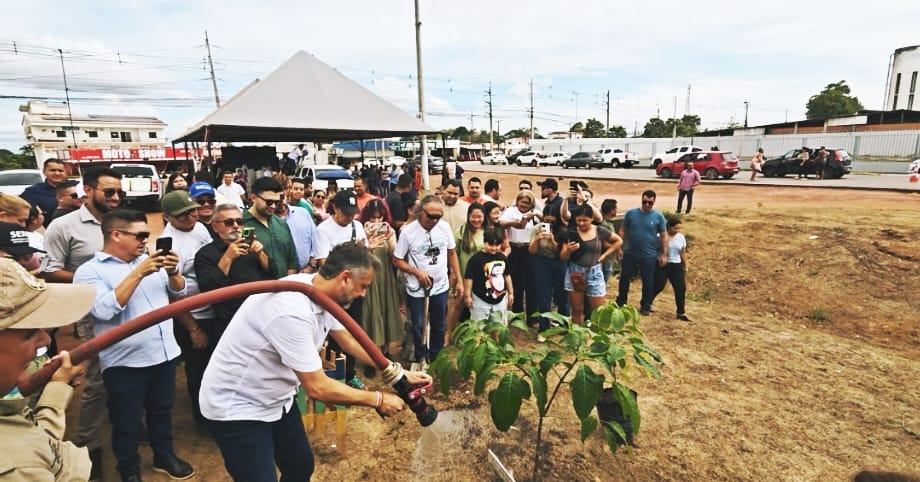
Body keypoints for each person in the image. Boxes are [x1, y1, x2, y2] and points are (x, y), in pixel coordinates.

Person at [200, 243, 431, 481]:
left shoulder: (319, 291)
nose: (363, 294)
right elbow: (318, 387)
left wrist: (398, 373)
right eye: (363, 287)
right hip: (238, 408)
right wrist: (378, 399)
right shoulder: (291, 311)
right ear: (345, 278)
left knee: (300, 467)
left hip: (276, 400)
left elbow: (350, 341)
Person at [74, 209, 195, 481]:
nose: (145, 242)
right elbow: (103, 310)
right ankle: (128, 470)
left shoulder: (149, 262)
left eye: (146, 236)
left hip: (164, 354)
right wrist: (138, 273)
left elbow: (178, 292)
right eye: (139, 236)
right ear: (116, 235)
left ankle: (164, 455)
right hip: (125, 362)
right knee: (126, 422)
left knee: (162, 412)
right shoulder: (89, 271)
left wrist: (173, 271)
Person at [41, 167, 123, 480]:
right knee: (99, 379)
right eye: (108, 192)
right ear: (87, 191)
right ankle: (89, 444)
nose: (115, 198)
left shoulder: (125, 220)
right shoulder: (64, 226)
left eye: (119, 192)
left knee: (130, 370)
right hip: (91, 315)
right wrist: (95, 278)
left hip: (129, 309)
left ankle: (128, 423)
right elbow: (49, 271)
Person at [0, 256, 95, 481]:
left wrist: (57, 388)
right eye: (29, 333)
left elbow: (34, 440)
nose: (45, 339)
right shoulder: (15, 466)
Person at [159, 191, 216, 428]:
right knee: (198, 371)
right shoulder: (169, 245)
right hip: (193, 316)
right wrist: (193, 328)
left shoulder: (200, 228)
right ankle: (203, 421)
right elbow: (171, 296)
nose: (191, 217)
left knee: (214, 367)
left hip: (213, 309)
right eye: (182, 215)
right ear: (167, 217)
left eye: (192, 210)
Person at [394, 195, 464, 364]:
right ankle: (420, 356)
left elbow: (452, 253)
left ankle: (436, 357)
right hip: (417, 289)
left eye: (438, 217)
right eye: (430, 216)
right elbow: (397, 260)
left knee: (439, 324)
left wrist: (459, 280)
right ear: (420, 212)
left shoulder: (444, 228)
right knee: (418, 325)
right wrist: (416, 272)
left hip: (440, 286)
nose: (434, 220)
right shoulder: (408, 232)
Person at [315, 190, 369, 388]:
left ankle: (350, 372)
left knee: (354, 329)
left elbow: (365, 254)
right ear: (335, 208)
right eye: (345, 213)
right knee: (335, 334)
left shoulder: (358, 226)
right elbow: (323, 262)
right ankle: (333, 372)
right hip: (337, 291)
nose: (349, 217)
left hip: (355, 290)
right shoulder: (324, 230)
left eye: (352, 213)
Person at [194, 204, 274, 335]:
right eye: (229, 222)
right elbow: (207, 287)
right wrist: (228, 257)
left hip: (260, 316)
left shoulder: (251, 245)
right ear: (215, 226)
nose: (236, 226)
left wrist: (261, 254)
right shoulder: (205, 254)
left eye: (240, 222)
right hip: (230, 322)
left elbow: (272, 273)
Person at [560, 204, 621, 324]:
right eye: (578, 220)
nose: (581, 223)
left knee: (597, 312)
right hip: (576, 272)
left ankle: (596, 338)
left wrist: (604, 255)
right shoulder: (571, 233)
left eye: (585, 220)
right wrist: (568, 250)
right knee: (577, 310)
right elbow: (563, 257)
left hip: (594, 272)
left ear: (592, 218)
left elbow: (618, 240)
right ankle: (577, 337)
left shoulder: (600, 231)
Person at [359, 199, 403, 359]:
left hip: (385, 276)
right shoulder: (360, 230)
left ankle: (385, 351)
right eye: (373, 218)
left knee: (386, 310)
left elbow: (395, 253)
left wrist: (391, 238)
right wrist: (368, 244)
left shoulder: (389, 230)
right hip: (368, 277)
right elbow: (358, 255)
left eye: (379, 218)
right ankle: (371, 354)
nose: (376, 222)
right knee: (370, 312)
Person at [616, 190, 669, 316]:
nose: (647, 205)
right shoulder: (631, 213)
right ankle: (621, 301)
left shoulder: (658, 216)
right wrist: (618, 248)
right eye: (644, 201)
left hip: (649, 255)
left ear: (654, 202)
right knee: (624, 278)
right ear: (641, 200)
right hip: (630, 253)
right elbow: (622, 231)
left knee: (648, 281)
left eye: (650, 202)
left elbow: (664, 235)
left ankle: (645, 305)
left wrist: (663, 254)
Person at [244, 177, 299, 279]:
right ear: (253, 197)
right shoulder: (242, 224)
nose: (273, 206)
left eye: (277, 202)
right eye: (269, 202)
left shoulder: (281, 224)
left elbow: (292, 260)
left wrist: (288, 285)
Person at [499, 191, 540, 323]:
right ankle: (517, 316)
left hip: (529, 250)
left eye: (527, 202)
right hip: (514, 249)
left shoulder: (535, 214)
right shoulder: (511, 211)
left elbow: (545, 222)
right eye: (521, 201)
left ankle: (532, 318)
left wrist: (536, 214)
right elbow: (501, 222)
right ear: (517, 201)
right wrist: (515, 222)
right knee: (516, 283)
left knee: (531, 284)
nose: (523, 205)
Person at [529, 203, 569, 331]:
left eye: (553, 218)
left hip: (559, 263)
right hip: (542, 263)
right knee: (543, 295)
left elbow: (560, 254)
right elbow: (532, 251)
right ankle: (544, 327)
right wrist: (537, 239)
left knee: (562, 294)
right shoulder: (536, 229)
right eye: (547, 217)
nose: (549, 220)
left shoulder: (563, 230)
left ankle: (565, 325)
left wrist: (552, 241)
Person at [463, 226, 513, 324]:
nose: (494, 248)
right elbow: (469, 278)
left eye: (497, 244)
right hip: (480, 299)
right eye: (490, 244)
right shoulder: (475, 259)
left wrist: (511, 293)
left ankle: (496, 340)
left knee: (498, 325)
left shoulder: (502, 257)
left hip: (500, 299)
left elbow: (507, 276)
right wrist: (467, 295)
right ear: (484, 241)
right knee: (479, 326)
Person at [652, 217, 691, 322]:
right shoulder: (660, 236)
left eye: (679, 229)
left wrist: (685, 265)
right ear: (668, 226)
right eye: (675, 229)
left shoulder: (681, 237)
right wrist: (658, 257)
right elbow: (654, 249)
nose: (677, 231)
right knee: (659, 286)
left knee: (680, 288)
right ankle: (647, 303)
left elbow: (682, 252)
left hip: (676, 265)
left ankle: (681, 312)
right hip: (663, 264)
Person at [275, 193, 317, 272]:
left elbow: (315, 239)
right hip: (282, 277)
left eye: (282, 197)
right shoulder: (269, 220)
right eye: (276, 200)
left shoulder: (303, 213)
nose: (280, 202)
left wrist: (311, 266)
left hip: (307, 273)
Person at [20, 158, 68, 228]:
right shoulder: (32, 192)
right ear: (44, 172)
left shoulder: (77, 188)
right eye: (53, 170)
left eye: (60, 171)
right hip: (46, 233)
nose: (57, 173)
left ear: (66, 172)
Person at [599, 199, 620, 285]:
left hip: (609, 257)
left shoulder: (608, 222)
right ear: (611, 210)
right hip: (604, 258)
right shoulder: (603, 224)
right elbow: (603, 243)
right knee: (603, 282)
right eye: (616, 208)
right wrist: (616, 246)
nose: (617, 210)